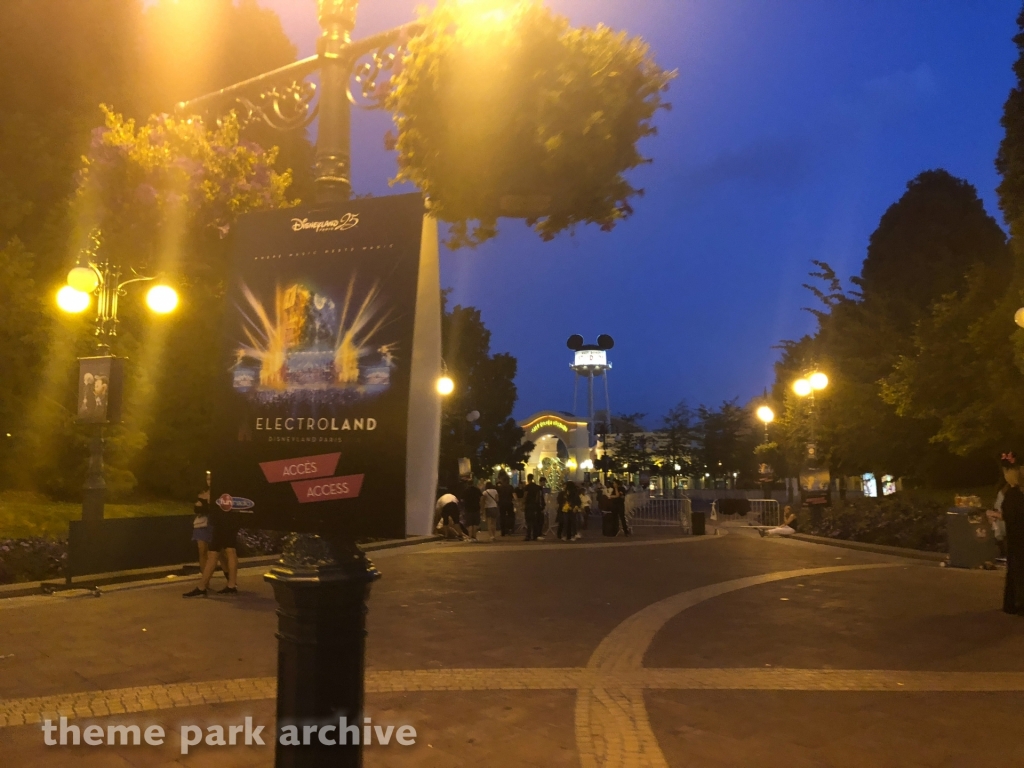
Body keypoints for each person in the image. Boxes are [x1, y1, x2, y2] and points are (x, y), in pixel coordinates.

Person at [184, 491, 239, 598]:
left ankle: (204, 587)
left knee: (222, 552)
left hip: (222, 522)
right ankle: (228, 585)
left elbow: (204, 506)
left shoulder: (221, 490)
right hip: (224, 521)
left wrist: (208, 502)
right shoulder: (224, 490)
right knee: (220, 552)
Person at [990, 452, 1024, 615]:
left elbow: (1011, 516)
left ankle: (1016, 603)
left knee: (1017, 571)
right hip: (1017, 536)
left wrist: (995, 515)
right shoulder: (1014, 493)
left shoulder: (1013, 494)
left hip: (1017, 538)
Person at [523, 474, 544, 541]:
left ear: (528, 479)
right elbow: (538, 496)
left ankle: (528, 536)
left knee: (528, 521)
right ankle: (535, 535)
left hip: (528, 505)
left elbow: (525, 496)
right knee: (535, 521)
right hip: (535, 506)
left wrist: (523, 503)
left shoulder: (527, 487)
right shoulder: (537, 487)